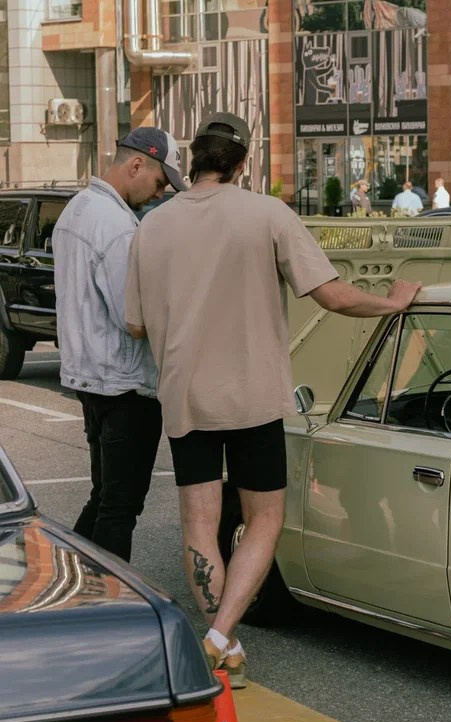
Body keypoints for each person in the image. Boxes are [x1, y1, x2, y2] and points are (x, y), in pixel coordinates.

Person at [125, 111, 422, 688]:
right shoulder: (267, 214)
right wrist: (391, 302)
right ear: (242, 163)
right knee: (265, 520)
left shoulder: (151, 228)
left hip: (185, 394)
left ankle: (224, 642)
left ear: (192, 162)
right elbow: (332, 297)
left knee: (199, 525)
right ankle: (217, 638)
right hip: (253, 395)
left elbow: (135, 326)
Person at [53, 127, 185, 562]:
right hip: (125, 385)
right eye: (160, 182)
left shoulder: (77, 209)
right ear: (135, 165)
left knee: (104, 496)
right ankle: (106, 605)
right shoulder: (117, 225)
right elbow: (134, 319)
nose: (159, 193)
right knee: (120, 507)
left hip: (90, 376)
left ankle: (70, 581)